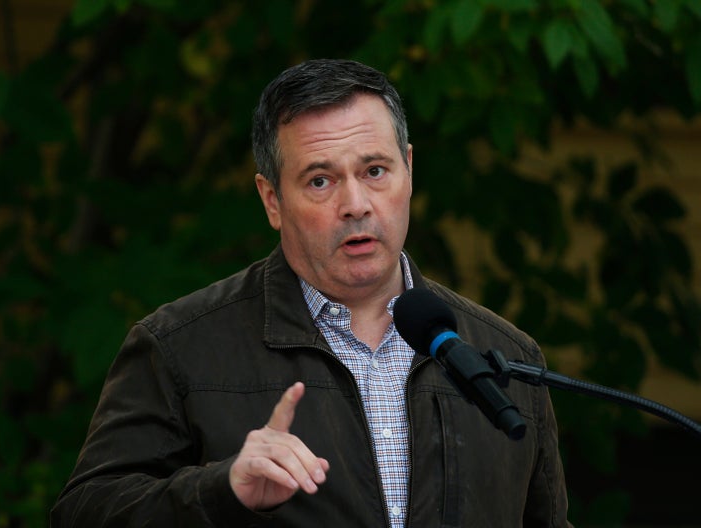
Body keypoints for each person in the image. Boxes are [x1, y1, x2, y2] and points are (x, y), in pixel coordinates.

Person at [51, 59, 571, 527]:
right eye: (320, 181)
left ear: (409, 170)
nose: (356, 204)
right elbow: (83, 511)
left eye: (374, 171)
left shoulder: (507, 358)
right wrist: (220, 490)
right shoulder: (177, 348)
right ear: (272, 199)